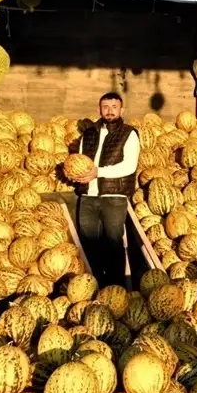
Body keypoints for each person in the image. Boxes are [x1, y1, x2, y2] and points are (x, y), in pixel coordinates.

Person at [68, 92, 139, 286]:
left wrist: (98, 172)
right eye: (105, 107)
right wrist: (74, 175)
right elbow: (80, 162)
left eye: (114, 107)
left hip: (113, 197)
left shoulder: (129, 133)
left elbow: (129, 166)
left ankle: (116, 289)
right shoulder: (88, 134)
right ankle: (94, 287)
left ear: (121, 109)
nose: (109, 111)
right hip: (88, 197)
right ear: (99, 109)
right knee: (89, 246)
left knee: (114, 245)